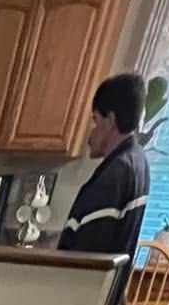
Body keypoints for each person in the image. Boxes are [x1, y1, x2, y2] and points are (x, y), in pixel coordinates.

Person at [57, 72, 150, 271]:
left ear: (110, 120)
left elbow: (87, 258)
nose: (91, 132)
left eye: (95, 120)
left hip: (85, 297)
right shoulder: (138, 161)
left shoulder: (115, 174)